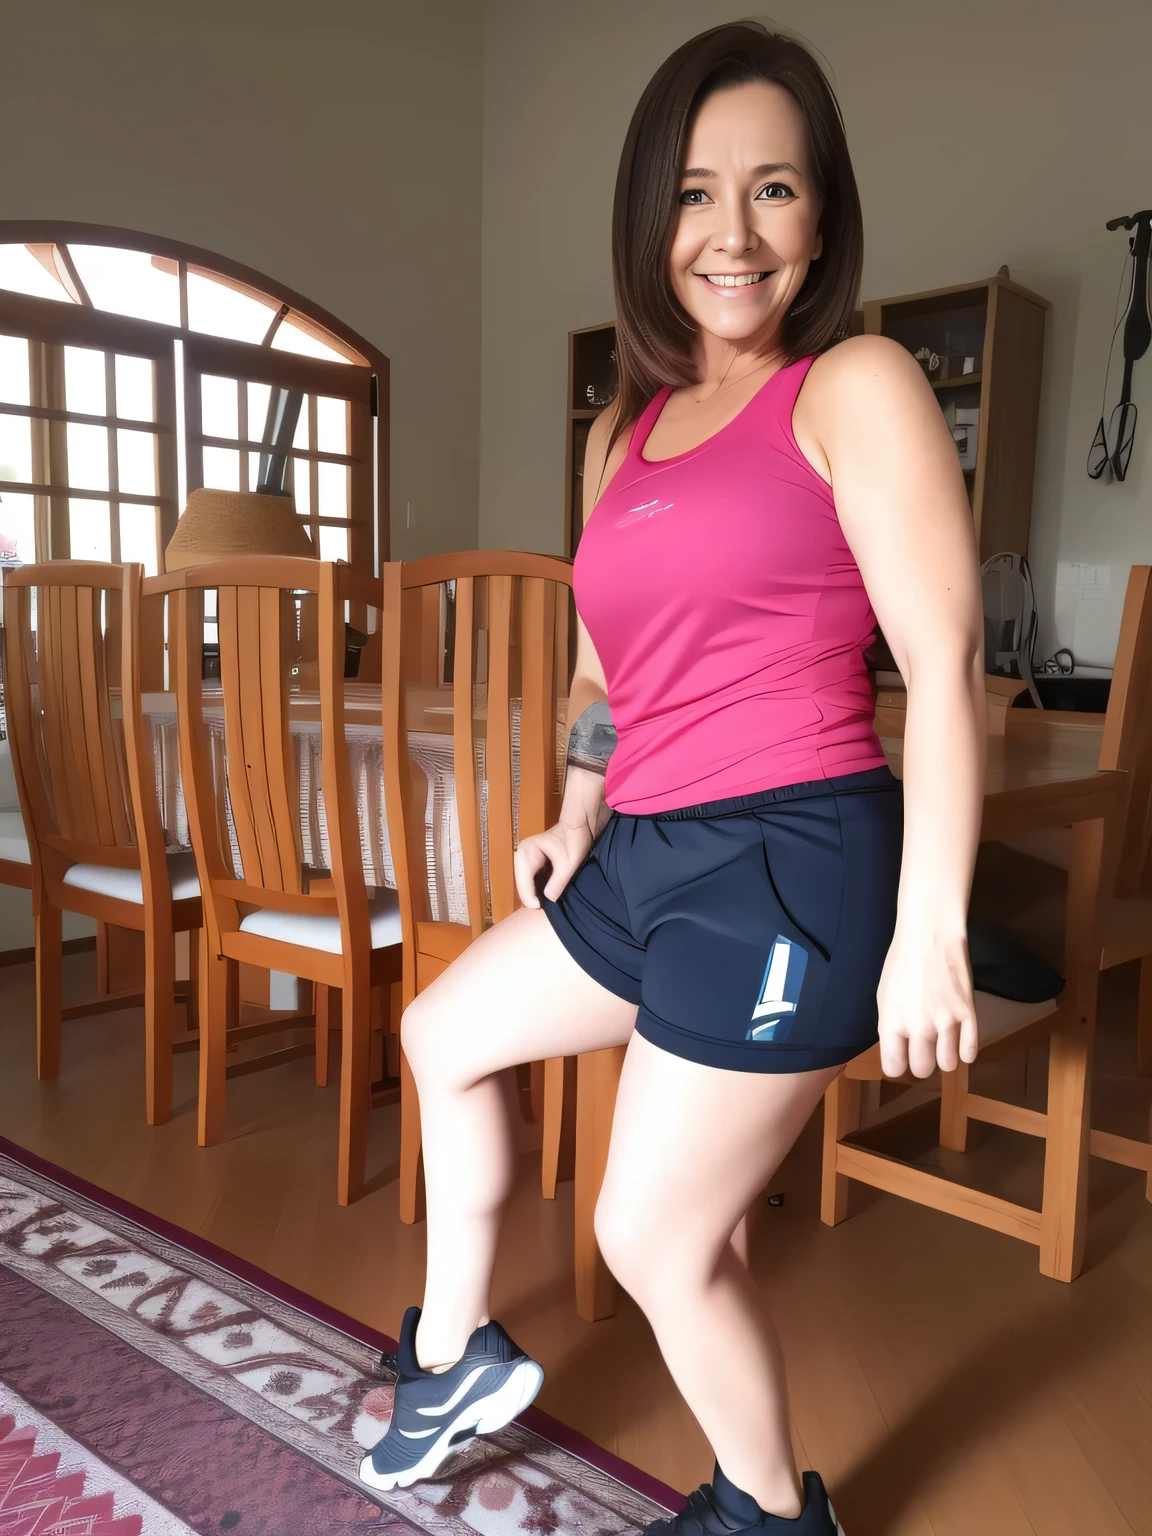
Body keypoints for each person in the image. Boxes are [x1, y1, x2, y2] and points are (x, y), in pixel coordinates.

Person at [359, 19, 985, 1536]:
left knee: (647, 1232)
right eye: (698, 192)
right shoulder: (620, 437)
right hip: (641, 849)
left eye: (774, 190)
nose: (732, 232)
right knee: (442, 1032)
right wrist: (576, 806)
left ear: (821, 216)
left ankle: (773, 1512)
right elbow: (600, 673)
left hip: (792, 860)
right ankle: (455, 1350)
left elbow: (948, 669)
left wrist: (931, 928)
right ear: (653, 218)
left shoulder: (856, 386)